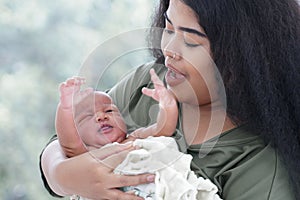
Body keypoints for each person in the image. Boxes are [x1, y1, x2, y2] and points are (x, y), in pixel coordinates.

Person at [39, 0, 300, 199]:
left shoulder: (258, 167)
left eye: (190, 40)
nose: (169, 50)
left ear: (244, 56)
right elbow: (65, 140)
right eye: (168, 27)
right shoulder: (143, 83)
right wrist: (62, 175)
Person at [55, 69, 178, 158]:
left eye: (109, 110)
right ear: (77, 133)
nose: (101, 116)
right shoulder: (87, 154)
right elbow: (69, 145)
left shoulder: (134, 138)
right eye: (88, 116)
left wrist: (168, 105)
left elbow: (163, 130)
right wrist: (65, 108)